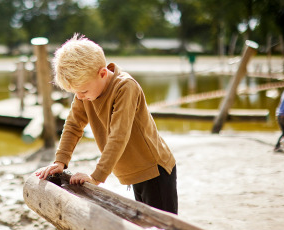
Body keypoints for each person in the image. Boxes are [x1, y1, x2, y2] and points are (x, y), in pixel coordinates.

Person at [35, 34, 178, 214]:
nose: (79, 97)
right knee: (144, 224)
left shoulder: (125, 87)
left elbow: (118, 135)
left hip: (154, 170)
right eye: (75, 93)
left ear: (102, 73)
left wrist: (96, 177)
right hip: (133, 171)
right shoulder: (87, 92)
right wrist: (61, 161)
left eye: (83, 91)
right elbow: (73, 125)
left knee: (164, 229)